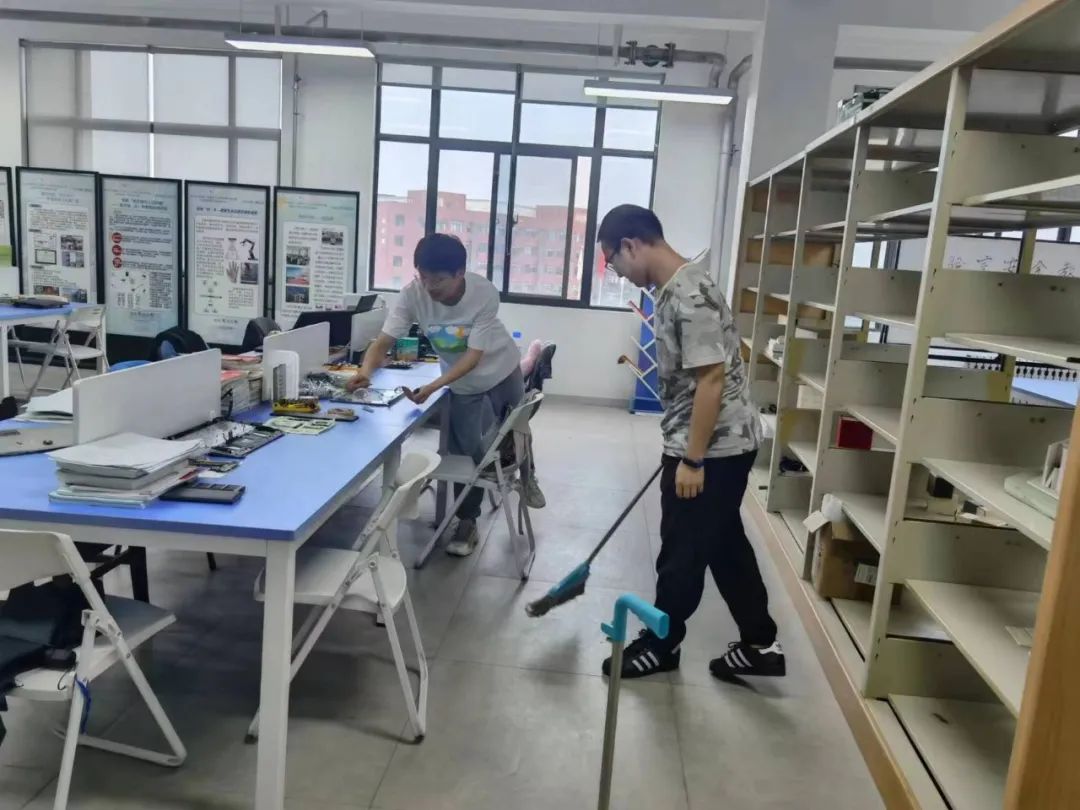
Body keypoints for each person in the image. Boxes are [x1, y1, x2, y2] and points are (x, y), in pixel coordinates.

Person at [596, 204, 783, 681]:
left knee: (682, 549)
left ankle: (662, 642)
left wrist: (692, 460)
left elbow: (711, 380)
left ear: (630, 245)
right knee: (722, 542)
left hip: (712, 448)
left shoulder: (689, 294)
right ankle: (760, 642)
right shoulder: (674, 288)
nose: (617, 273)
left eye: (612, 261)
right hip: (719, 442)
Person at [347, 233, 545, 556]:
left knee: (516, 431)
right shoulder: (412, 295)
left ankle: (528, 477)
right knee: (470, 454)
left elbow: (473, 356)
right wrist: (364, 372)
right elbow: (382, 342)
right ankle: (467, 522)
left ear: (459, 273)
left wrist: (433, 387)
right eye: (422, 277)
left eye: (437, 279)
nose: (429, 287)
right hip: (463, 385)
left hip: (502, 369)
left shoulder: (483, 293)